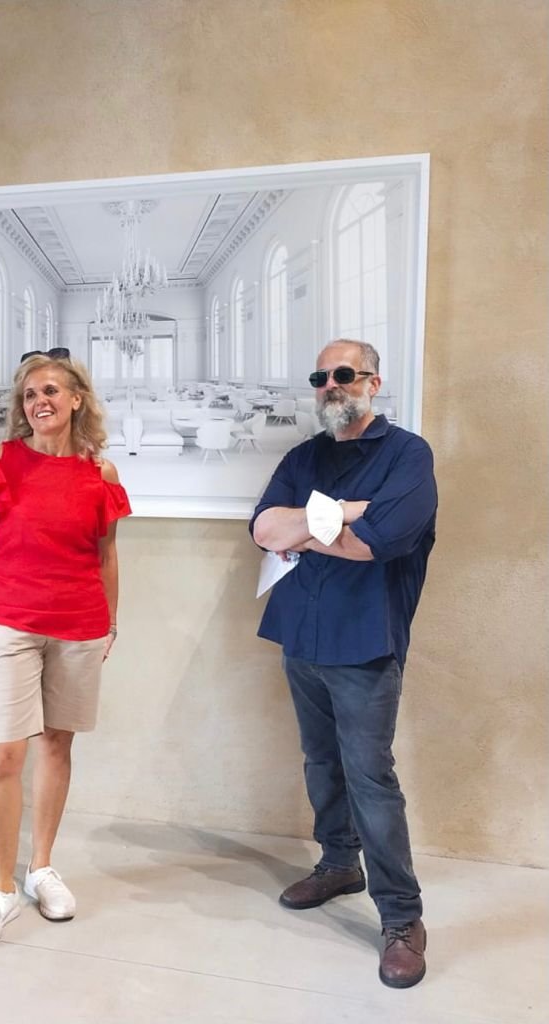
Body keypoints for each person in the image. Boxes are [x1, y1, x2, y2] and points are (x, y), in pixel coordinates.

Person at [250, 339, 436, 989]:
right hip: (301, 635)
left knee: (369, 779)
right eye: (321, 376)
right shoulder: (303, 457)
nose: (331, 384)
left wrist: (308, 527)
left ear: (372, 382)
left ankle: (401, 919)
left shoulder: (407, 455)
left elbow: (378, 544)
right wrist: (342, 514)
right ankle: (338, 864)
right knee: (320, 762)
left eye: (344, 374)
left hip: (364, 643)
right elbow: (264, 531)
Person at [0, 350, 130, 945]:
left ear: (77, 399)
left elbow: (106, 555)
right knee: (3, 757)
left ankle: (42, 868)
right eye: (30, 395)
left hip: (79, 624)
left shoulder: (100, 473)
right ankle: (1, 889)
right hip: (8, 622)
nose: (39, 402)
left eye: (51, 390)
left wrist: (110, 623)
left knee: (57, 745)